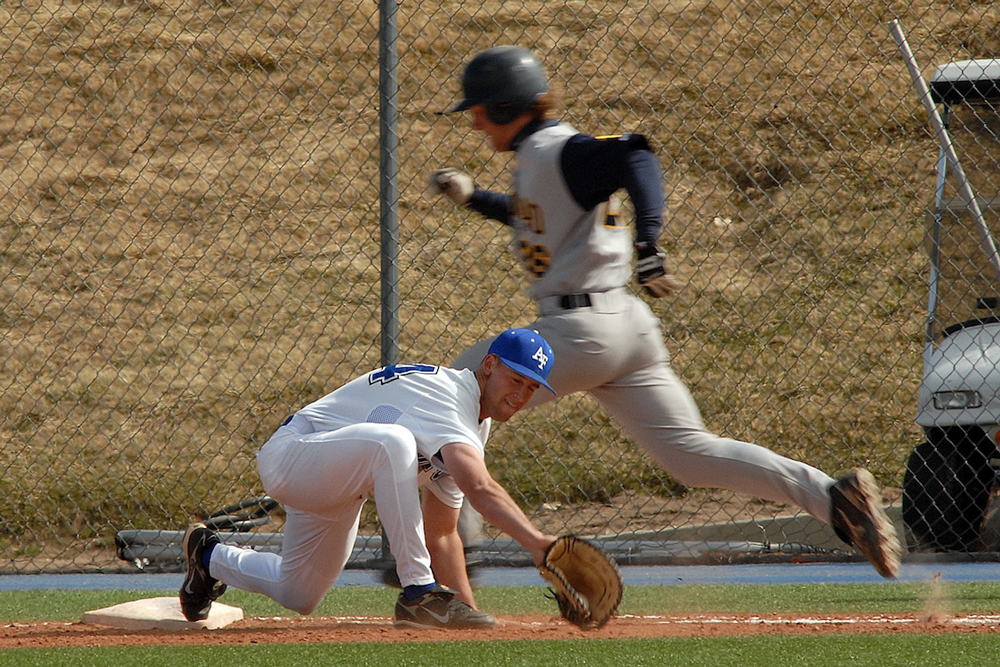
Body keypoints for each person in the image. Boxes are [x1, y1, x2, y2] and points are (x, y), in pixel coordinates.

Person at [428, 45, 902, 578]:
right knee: (690, 455)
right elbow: (543, 219)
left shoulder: (556, 150)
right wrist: (473, 198)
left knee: (452, 393)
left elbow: (636, 153)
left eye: (478, 110)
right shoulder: (541, 157)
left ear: (504, 106)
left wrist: (650, 241)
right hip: (624, 328)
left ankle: (446, 549)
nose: (472, 122)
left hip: (577, 330)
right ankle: (833, 498)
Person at [179, 327, 560, 628]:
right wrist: (537, 542)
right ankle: (417, 592)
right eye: (516, 379)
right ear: (490, 365)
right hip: (293, 456)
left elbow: (443, 532)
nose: (521, 395)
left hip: (337, 483)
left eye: (531, 388)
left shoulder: (476, 427)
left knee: (298, 593)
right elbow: (480, 487)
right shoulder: (449, 395)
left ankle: (207, 556)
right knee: (395, 442)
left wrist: (466, 611)